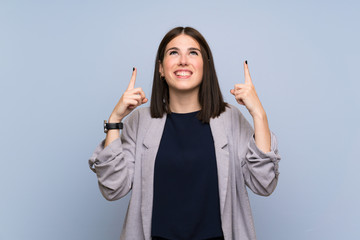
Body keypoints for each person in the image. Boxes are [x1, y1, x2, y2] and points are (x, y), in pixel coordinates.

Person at [89, 26, 281, 240]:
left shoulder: (230, 119)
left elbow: (264, 184)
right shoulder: (140, 122)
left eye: (193, 52)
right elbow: (112, 188)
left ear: (206, 67)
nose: (183, 60)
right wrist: (115, 120)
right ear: (161, 68)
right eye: (173, 52)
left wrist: (259, 114)